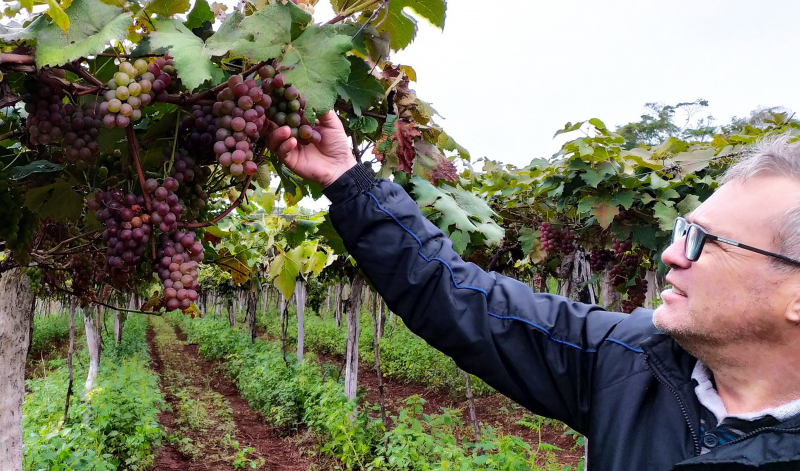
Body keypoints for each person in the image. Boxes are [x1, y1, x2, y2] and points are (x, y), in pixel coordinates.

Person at [265, 112, 800, 470]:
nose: (672, 254)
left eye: (705, 241)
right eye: (683, 230)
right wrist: (347, 182)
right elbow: (466, 300)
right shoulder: (631, 362)